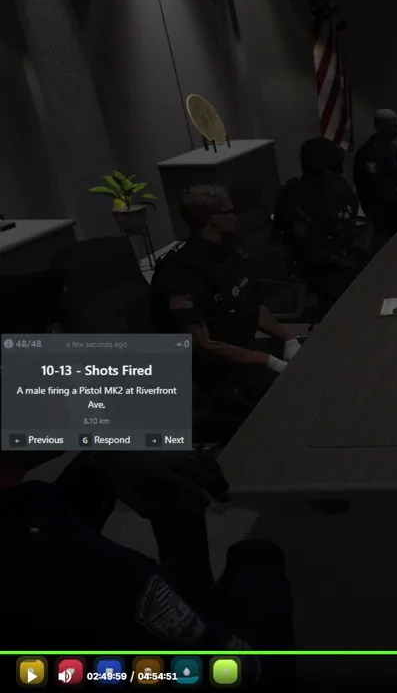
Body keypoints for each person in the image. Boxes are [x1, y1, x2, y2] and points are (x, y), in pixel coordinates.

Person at [0, 450, 295, 687]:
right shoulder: (70, 563)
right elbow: (247, 672)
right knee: (261, 554)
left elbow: (48, 516)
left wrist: (97, 468)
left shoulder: (29, 522)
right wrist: (180, 522)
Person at [151, 185, 302, 407]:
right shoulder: (182, 273)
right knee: (297, 397)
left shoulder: (229, 254)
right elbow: (203, 345)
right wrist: (267, 360)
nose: (237, 217)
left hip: (244, 350)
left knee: (312, 361)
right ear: (215, 220)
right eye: (231, 211)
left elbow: (250, 306)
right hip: (216, 373)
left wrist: (288, 337)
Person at [275, 137, 368, 306]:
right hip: (316, 268)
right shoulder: (294, 197)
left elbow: (347, 222)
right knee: (364, 292)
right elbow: (308, 247)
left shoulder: (332, 189)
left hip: (336, 258)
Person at [353, 109, 397, 238]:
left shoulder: (391, 149)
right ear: (380, 126)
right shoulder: (369, 153)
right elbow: (376, 189)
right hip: (378, 207)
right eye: (393, 126)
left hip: (392, 201)